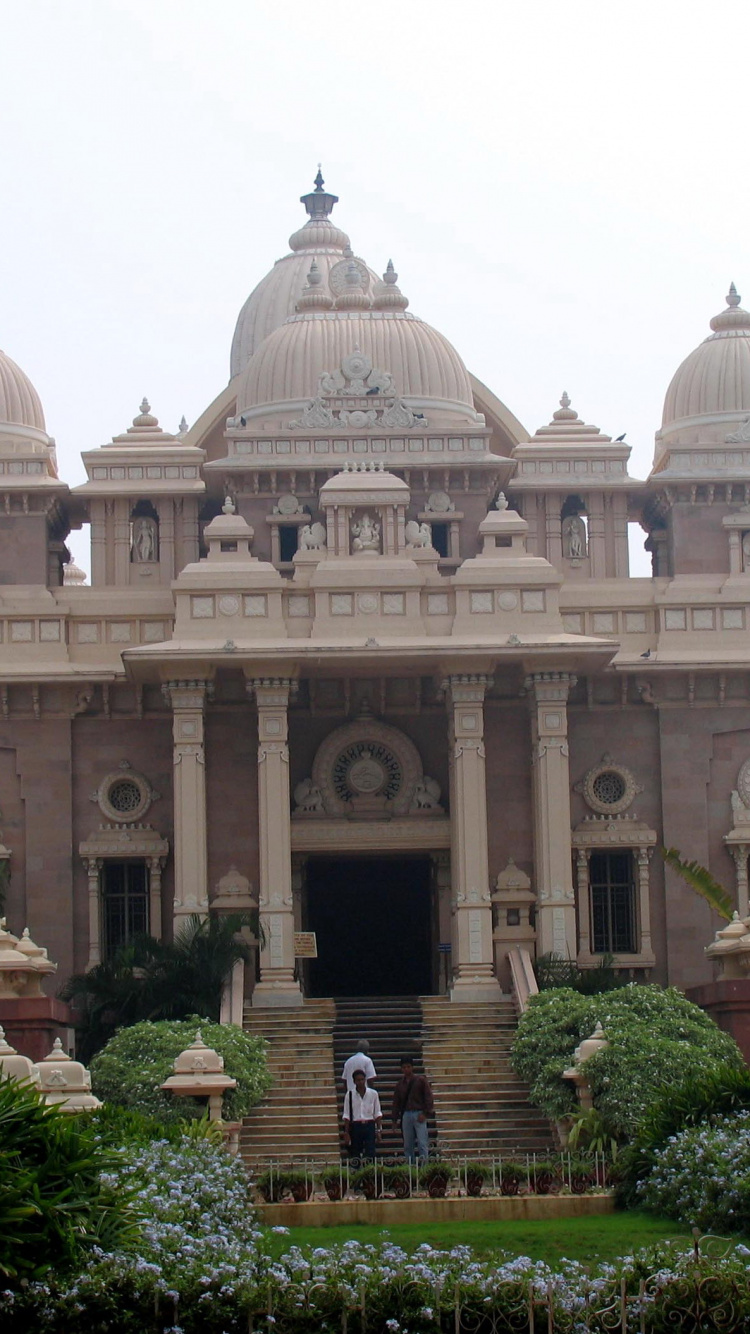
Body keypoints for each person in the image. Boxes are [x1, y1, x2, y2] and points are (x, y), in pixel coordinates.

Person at [392, 1055, 433, 1164]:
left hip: (419, 1112)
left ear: (412, 1067)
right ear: (401, 1069)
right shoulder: (400, 1084)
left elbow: (428, 1097)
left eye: (408, 1067)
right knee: (407, 1144)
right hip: (406, 1114)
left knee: (422, 1142)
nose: (406, 1069)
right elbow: (396, 1103)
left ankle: (424, 1166)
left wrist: (425, 1113)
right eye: (404, 1067)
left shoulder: (420, 1080)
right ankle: (410, 1167)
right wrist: (394, 1120)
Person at [342, 1068, 382, 1160]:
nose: (360, 1082)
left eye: (362, 1079)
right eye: (358, 1080)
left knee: (370, 1152)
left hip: (369, 1124)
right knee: (355, 1151)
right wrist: (346, 1132)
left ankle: (369, 1171)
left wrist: (379, 1130)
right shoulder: (350, 1094)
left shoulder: (373, 1094)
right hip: (356, 1125)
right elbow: (347, 1115)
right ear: (354, 1081)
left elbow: (377, 1113)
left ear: (365, 1080)